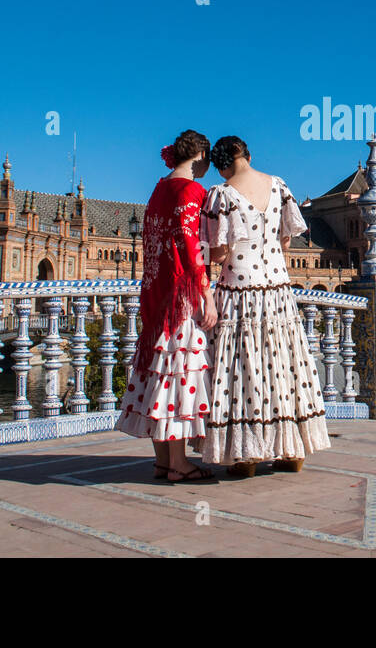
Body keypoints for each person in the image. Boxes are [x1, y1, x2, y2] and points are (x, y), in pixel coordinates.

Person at [199, 135, 330, 477]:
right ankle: (290, 450)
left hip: (239, 290)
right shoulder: (279, 186)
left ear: (220, 164)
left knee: (244, 369)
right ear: (248, 155)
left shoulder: (221, 194)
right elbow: (286, 239)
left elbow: (220, 252)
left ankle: (246, 456)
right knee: (282, 365)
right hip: (278, 289)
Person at [114, 130, 218, 482]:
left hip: (154, 292)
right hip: (179, 295)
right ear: (201, 154)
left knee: (158, 371)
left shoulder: (159, 189)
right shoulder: (191, 190)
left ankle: (162, 461)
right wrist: (206, 292)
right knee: (180, 373)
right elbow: (190, 246)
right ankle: (179, 464)